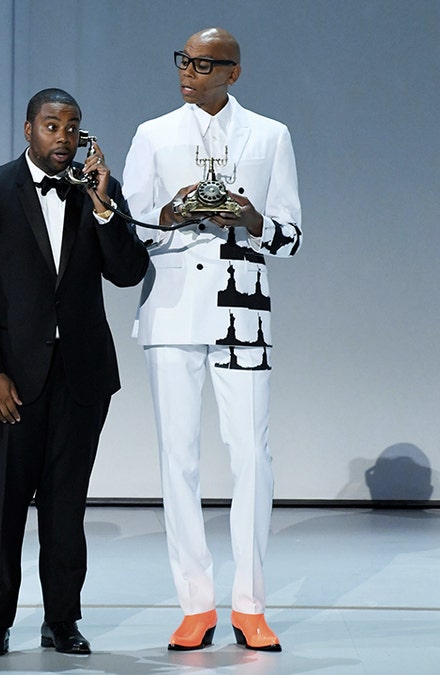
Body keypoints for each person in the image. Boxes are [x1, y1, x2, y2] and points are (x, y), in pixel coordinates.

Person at [121, 27, 302, 653]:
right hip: (172, 308)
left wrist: (250, 219)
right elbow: (132, 228)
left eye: (203, 64)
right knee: (180, 459)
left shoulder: (271, 135)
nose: (188, 72)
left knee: (252, 454)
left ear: (234, 73)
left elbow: (289, 235)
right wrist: (172, 214)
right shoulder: (153, 133)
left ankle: (250, 605)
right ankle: (195, 604)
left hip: (242, 310)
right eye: (184, 61)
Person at [0, 88, 148, 657]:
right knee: (5, 507)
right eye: (52, 125)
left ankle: (62, 620)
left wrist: (105, 206)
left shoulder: (97, 195)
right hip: (7, 380)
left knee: (67, 507)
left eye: (73, 126)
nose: (63, 136)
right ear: (28, 130)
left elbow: (129, 271)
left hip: (80, 378)